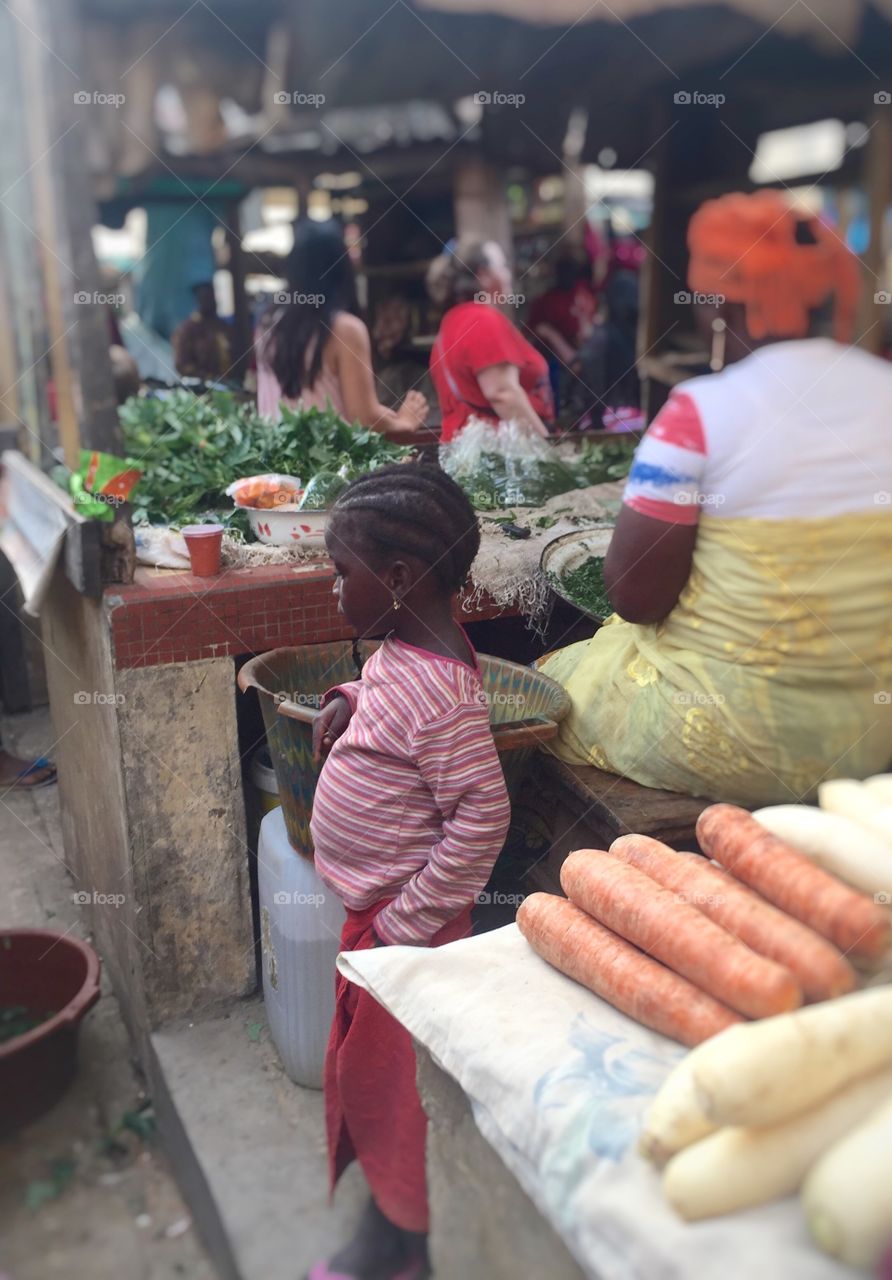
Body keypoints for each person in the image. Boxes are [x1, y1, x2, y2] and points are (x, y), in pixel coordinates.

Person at [541, 190, 892, 806]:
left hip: (734, 739)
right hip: (872, 731)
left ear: (722, 303)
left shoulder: (701, 413)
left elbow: (637, 597)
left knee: (554, 684)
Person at [307, 464, 511, 1280]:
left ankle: (403, 1245)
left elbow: (483, 814)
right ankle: (393, 1228)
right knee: (369, 1075)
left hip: (406, 937)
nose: (331, 589)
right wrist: (348, 698)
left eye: (339, 572)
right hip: (380, 925)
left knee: (393, 1094)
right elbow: (388, 694)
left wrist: (406, 919)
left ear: (394, 580)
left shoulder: (445, 699)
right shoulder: (405, 649)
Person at [255, 219, 427, 435]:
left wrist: (392, 415)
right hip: (330, 465)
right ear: (341, 267)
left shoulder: (267, 324)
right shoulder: (344, 329)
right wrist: (404, 422)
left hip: (274, 460)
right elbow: (363, 417)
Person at [427, 237, 554, 441]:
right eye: (503, 265)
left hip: (474, 451)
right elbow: (502, 393)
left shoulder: (453, 321)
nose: (508, 273)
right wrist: (548, 451)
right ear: (483, 274)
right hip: (499, 456)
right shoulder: (482, 320)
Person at [171, 282, 233, 382]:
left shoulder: (221, 325)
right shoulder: (188, 329)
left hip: (227, 383)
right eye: (206, 298)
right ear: (199, 301)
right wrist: (205, 377)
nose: (212, 302)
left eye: (212, 298)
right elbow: (182, 364)